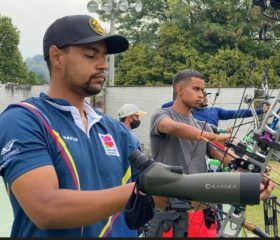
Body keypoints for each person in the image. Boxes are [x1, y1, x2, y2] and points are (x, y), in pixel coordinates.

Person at [0, 15, 166, 237]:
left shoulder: (114, 130)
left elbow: (158, 189)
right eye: (90, 55)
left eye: (104, 56)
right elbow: (45, 207)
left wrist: (199, 188)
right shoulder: (24, 120)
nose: (103, 64)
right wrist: (139, 191)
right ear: (57, 57)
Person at [150, 69, 274, 237]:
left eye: (203, 90)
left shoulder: (204, 126)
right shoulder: (162, 114)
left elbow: (226, 157)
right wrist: (214, 136)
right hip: (168, 212)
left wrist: (255, 173)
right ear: (179, 90)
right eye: (196, 89)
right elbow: (172, 128)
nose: (202, 94)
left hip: (200, 211)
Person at [162, 91, 269, 127]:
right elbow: (164, 106)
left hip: (213, 146)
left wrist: (260, 110)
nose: (205, 98)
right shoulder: (188, 110)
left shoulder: (215, 111)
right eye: (202, 96)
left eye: (205, 96)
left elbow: (237, 113)